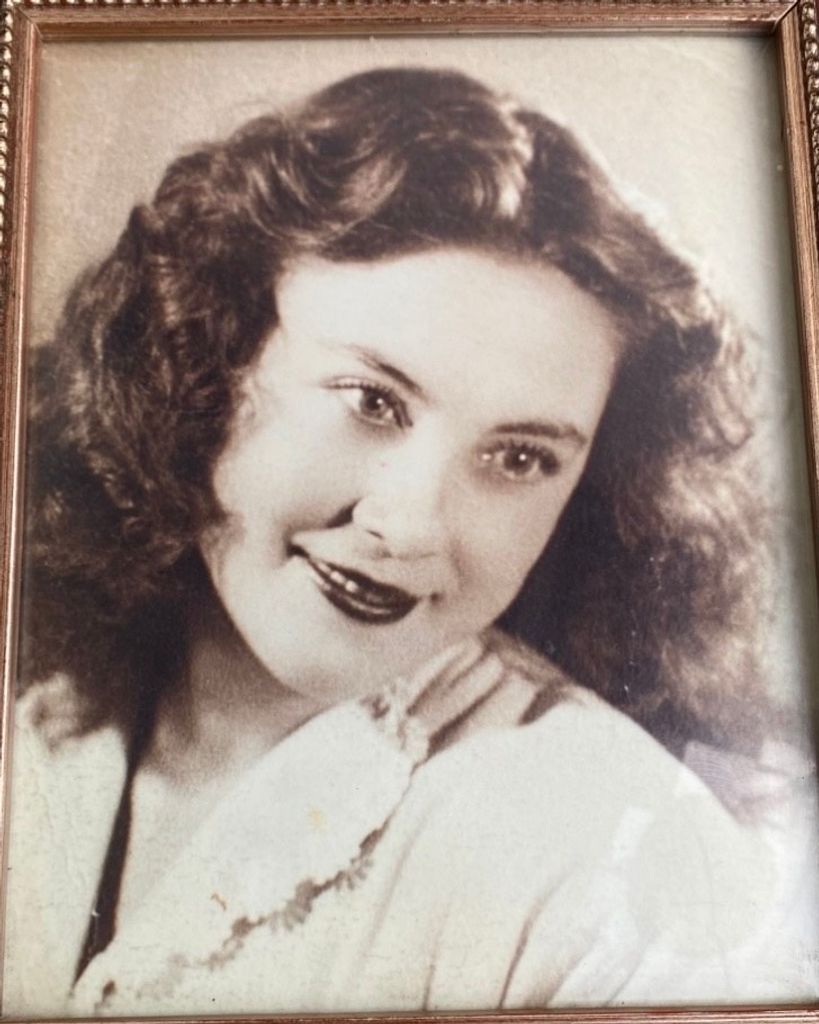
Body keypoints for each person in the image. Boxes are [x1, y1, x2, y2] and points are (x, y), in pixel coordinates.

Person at [3, 67, 810, 1016]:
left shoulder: (609, 869)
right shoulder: (36, 681)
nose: (414, 524)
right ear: (204, 356)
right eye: (372, 402)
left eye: (519, 458)